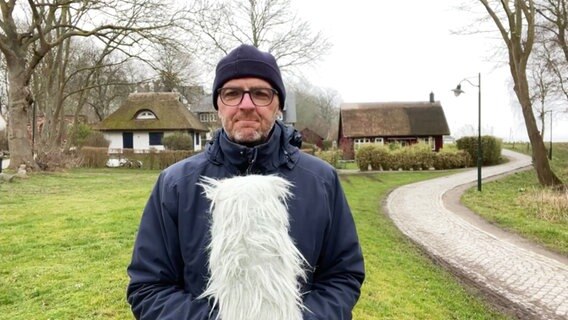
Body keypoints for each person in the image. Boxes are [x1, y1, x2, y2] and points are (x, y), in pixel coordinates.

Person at [127, 44, 365, 319]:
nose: (247, 105)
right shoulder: (176, 185)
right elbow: (148, 287)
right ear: (218, 105)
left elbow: (343, 275)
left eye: (261, 94)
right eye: (232, 94)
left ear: (279, 105)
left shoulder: (321, 181)